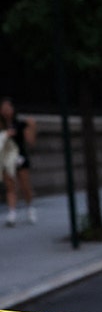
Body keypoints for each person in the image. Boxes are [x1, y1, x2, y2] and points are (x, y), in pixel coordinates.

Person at [1, 97, 36, 227]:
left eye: (7, 107)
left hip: (20, 157)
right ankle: (12, 213)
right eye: (3, 108)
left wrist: (32, 127)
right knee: (10, 186)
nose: (5, 110)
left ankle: (30, 208)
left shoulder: (20, 124)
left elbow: (31, 141)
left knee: (25, 185)